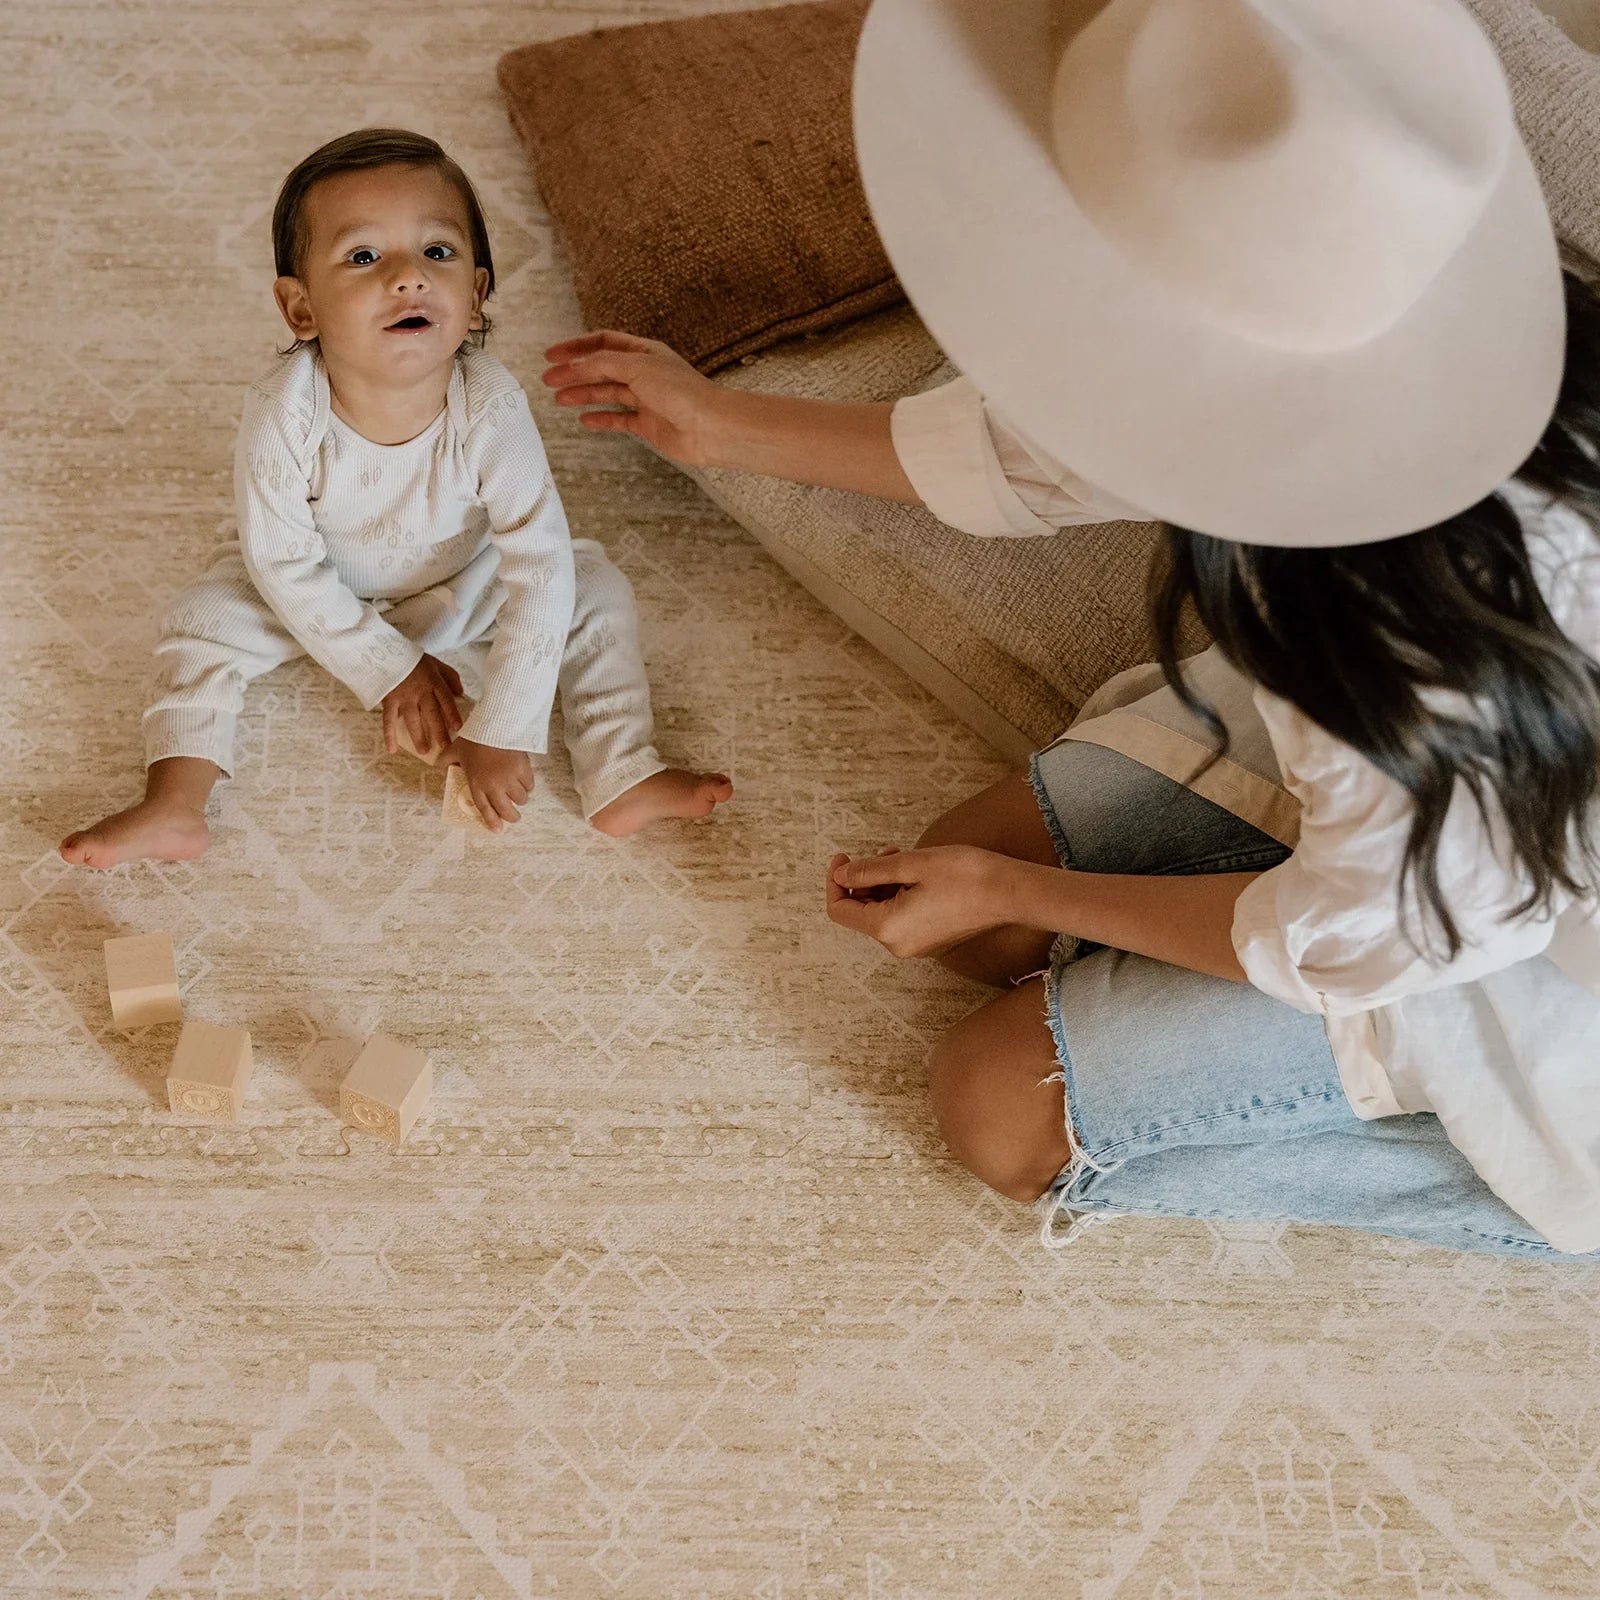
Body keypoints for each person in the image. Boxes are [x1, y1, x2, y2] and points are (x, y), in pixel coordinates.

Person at [543, 0, 1600, 1257]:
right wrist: (724, 423)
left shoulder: (1394, 656)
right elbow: (1074, 447)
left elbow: (1351, 944)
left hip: (1500, 946)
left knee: (994, 1104)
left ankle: (1537, 1185)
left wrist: (1014, 883)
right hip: (1417, 806)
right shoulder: (1391, 322)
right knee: (974, 924)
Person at [60, 127, 731, 867]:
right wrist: (390, 669)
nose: (409, 276)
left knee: (594, 585)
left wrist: (500, 728)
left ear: (474, 295)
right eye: (363, 257)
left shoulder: (491, 404)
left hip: (460, 580)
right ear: (302, 309)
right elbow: (281, 562)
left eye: (437, 253)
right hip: (313, 588)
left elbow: (537, 562)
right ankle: (176, 800)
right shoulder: (281, 410)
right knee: (202, 618)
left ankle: (621, 770)